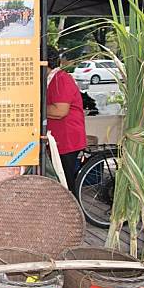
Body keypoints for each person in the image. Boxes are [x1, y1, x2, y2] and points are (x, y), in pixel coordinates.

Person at [46, 47, 86, 192]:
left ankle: (75, 214)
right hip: (59, 139)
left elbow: (60, 111)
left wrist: (34, 109)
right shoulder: (51, 79)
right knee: (62, 183)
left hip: (67, 139)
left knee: (66, 184)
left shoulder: (61, 79)